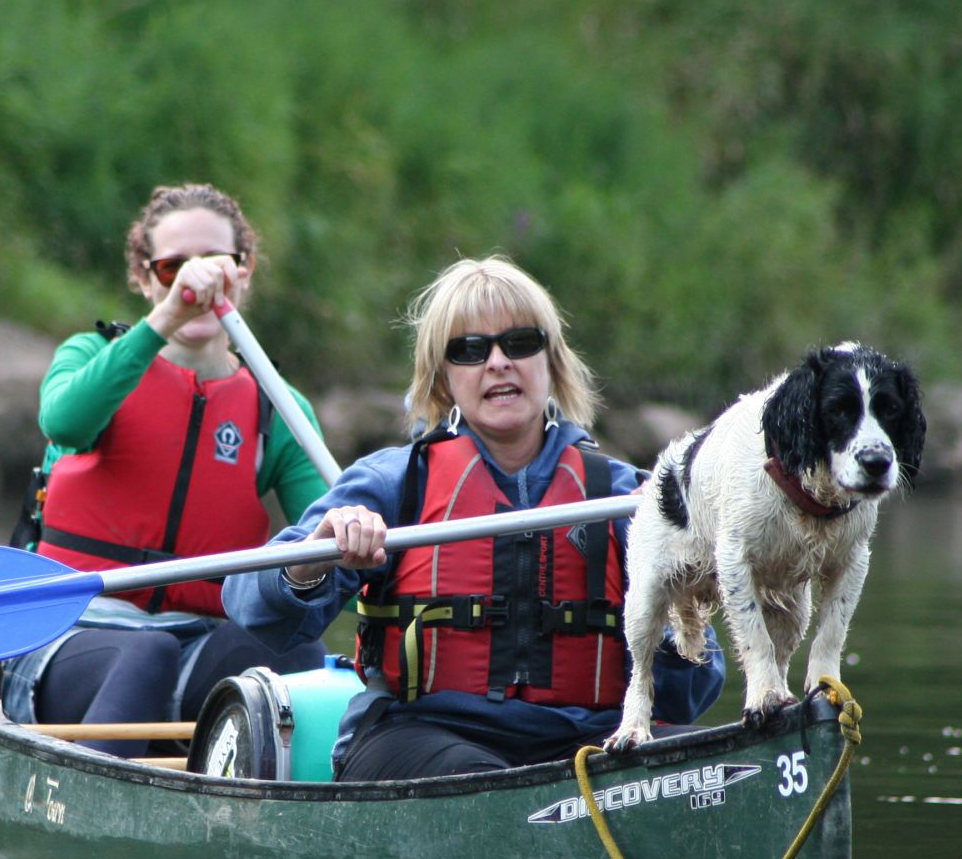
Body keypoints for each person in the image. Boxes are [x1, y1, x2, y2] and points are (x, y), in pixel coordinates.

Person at [222, 255, 725, 780]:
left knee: (713, 762)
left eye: (520, 343)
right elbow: (252, 607)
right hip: (423, 734)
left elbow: (688, 695)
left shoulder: (627, 498)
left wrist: (677, 602)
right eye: (470, 350)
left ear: (550, 361)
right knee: (475, 773)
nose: (499, 362)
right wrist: (309, 564)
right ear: (443, 377)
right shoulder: (395, 484)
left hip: (590, 737)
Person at [0, 183, 331, 756]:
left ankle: (264, 810)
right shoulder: (87, 356)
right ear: (144, 277)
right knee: (145, 655)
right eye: (173, 266)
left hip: (196, 646)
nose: (195, 283)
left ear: (244, 272)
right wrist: (167, 317)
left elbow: (328, 533)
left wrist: (348, 542)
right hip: (71, 630)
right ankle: (95, 819)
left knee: (296, 658)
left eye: (216, 264)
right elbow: (66, 422)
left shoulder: (278, 407)